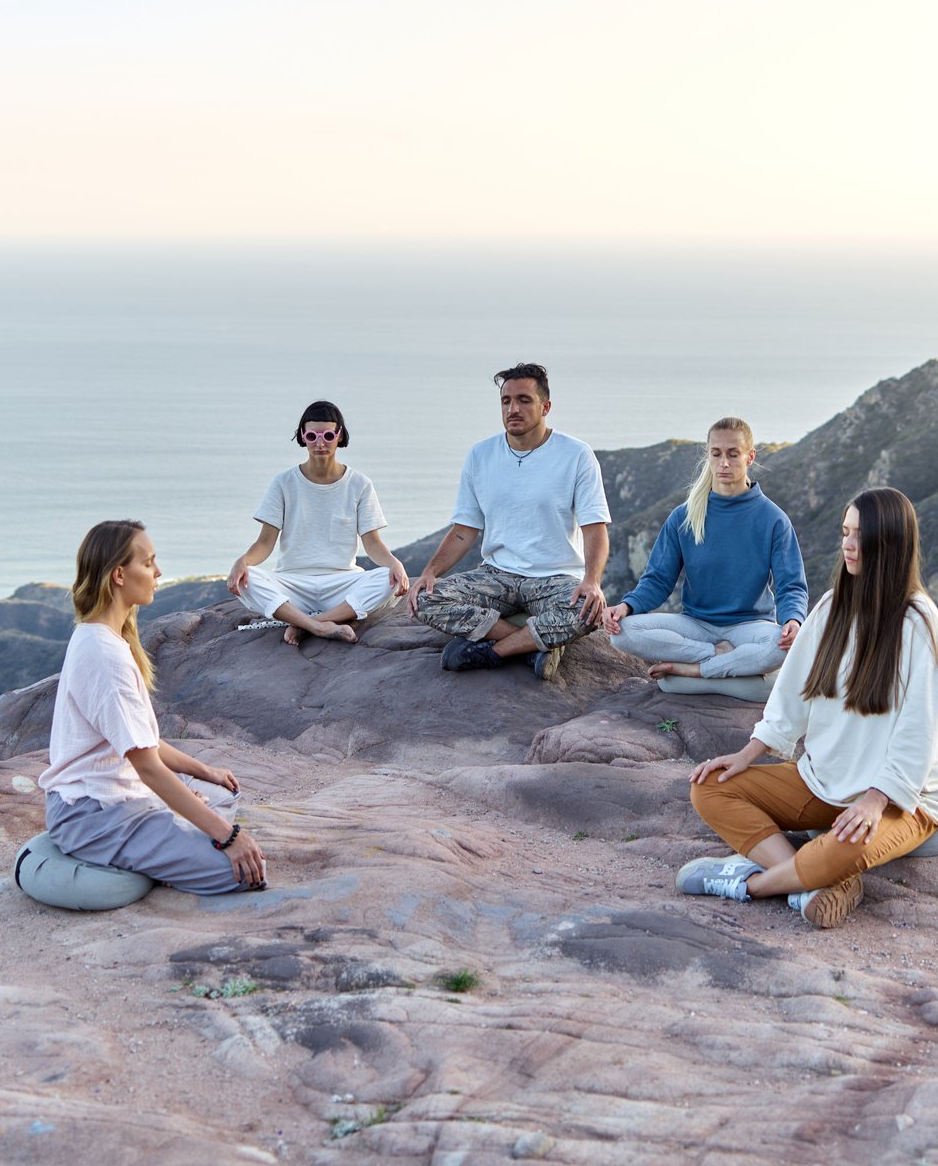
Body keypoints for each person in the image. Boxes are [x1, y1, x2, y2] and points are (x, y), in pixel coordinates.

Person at [679, 487, 938, 929]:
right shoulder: (832, 607)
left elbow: (918, 732)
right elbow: (791, 696)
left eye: (860, 536)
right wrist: (747, 754)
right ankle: (813, 882)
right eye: (844, 532)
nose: (848, 544)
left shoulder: (918, 622)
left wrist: (874, 800)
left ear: (889, 542)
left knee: (851, 846)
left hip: (903, 800)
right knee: (710, 786)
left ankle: (751, 884)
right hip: (823, 781)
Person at [40, 519, 267, 893]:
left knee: (223, 792)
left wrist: (204, 770)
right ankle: (164, 835)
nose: (158, 572)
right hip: (93, 814)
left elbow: (142, 741)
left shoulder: (106, 638)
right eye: (148, 563)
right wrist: (229, 838)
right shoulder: (104, 656)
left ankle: (167, 829)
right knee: (240, 873)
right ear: (118, 575)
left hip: (118, 796)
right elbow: (147, 766)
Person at [408, 363, 611, 680]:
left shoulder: (576, 455)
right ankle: (531, 646)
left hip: (554, 577)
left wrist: (592, 581)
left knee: (587, 612)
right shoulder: (481, 455)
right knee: (423, 600)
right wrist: (430, 572)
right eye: (506, 401)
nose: (513, 409)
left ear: (545, 407)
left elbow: (594, 527)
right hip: (497, 576)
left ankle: (492, 651)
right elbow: (464, 530)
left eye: (524, 400)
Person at [602, 417, 807, 683]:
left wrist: (793, 620)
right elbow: (658, 580)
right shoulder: (683, 517)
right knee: (621, 633)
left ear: (750, 457)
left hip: (750, 626)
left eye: (733, 454)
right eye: (716, 454)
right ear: (707, 455)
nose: (724, 463)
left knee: (778, 647)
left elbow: (791, 585)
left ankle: (693, 671)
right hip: (695, 625)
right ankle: (721, 658)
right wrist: (627, 607)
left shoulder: (773, 519)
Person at [227, 399, 408, 648]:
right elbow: (265, 542)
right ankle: (320, 626)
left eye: (327, 435)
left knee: (388, 579)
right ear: (303, 435)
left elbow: (372, 543)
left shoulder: (360, 484)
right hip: (293, 583)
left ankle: (306, 624)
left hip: (341, 583)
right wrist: (243, 562)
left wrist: (394, 563)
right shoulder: (283, 483)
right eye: (312, 435)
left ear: (339, 435)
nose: (320, 443)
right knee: (250, 580)